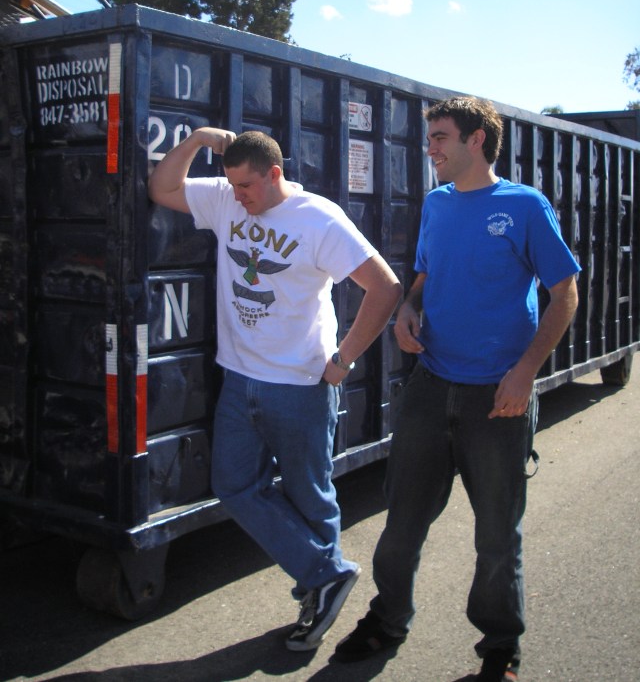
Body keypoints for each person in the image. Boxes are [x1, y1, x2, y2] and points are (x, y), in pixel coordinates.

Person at [334, 97, 580, 681]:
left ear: (477, 140)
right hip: (431, 384)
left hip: (498, 397)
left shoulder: (524, 206)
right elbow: (424, 276)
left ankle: (500, 646)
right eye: (430, 139)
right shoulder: (438, 203)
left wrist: (525, 372)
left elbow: (565, 294)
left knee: (496, 534)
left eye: (440, 137)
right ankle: (388, 618)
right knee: (402, 521)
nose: (431, 149)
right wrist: (407, 309)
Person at [148, 127, 402, 651]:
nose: (238, 196)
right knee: (234, 485)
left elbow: (385, 287)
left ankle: (317, 596)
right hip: (239, 379)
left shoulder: (318, 218)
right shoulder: (226, 199)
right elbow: (162, 187)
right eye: (232, 186)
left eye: (247, 186)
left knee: (311, 497)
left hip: (300, 386)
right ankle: (326, 575)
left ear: (274, 175)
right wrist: (196, 140)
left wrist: (344, 359)